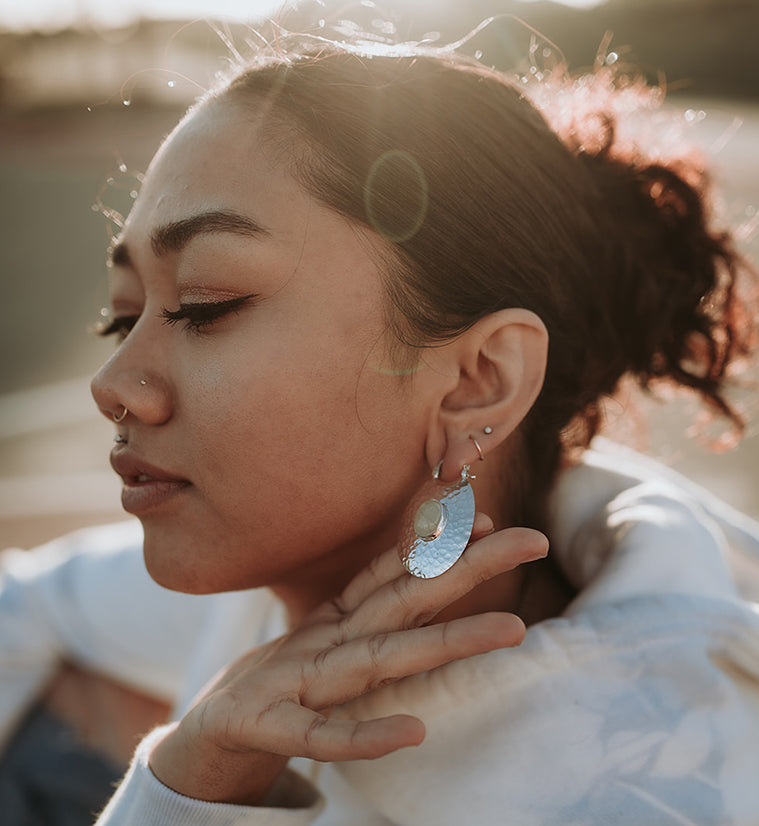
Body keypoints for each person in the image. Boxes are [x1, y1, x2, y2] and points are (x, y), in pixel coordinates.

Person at [3, 29, 759, 825]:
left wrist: (184, 790)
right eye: (124, 317)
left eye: (205, 306)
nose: (113, 385)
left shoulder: (645, 793)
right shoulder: (298, 569)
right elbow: (28, 604)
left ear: (479, 380)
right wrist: (199, 759)